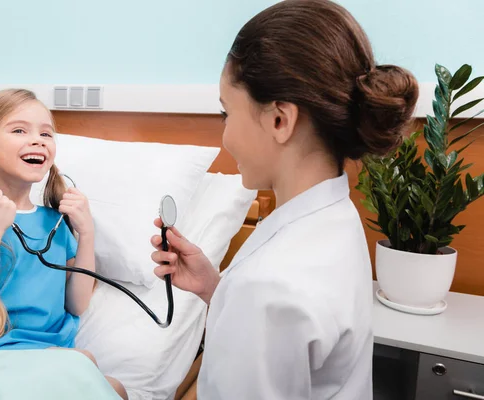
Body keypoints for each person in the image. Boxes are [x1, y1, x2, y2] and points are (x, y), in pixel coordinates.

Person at [150, 0, 418, 398]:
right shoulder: (335, 216)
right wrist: (217, 290)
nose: (224, 136)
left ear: (280, 119)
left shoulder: (267, 287)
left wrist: (240, 298)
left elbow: (270, 304)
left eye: (227, 114)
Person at [0, 88, 127, 399]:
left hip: (44, 357)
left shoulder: (54, 222)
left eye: (47, 133)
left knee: (115, 388)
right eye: (19, 130)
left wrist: (86, 234)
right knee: (86, 368)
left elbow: (76, 304)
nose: (38, 140)